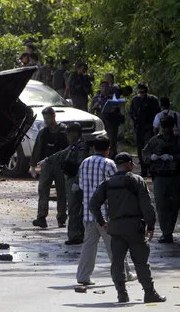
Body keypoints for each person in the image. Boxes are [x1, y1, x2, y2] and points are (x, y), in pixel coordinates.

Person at [89, 153, 166, 304]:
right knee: (141, 262)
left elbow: (93, 204)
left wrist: (102, 221)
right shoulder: (137, 180)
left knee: (117, 262)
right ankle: (149, 293)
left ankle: (122, 294)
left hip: (116, 229)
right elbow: (147, 206)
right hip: (135, 229)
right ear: (129, 164)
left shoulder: (107, 183)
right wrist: (150, 226)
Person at [76, 136, 133, 285]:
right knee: (115, 246)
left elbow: (81, 186)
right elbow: (116, 187)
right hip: (106, 215)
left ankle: (83, 277)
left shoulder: (84, 163)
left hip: (88, 212)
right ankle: (124, 274)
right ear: (108, 149)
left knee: (88, 246)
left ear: (94, 147)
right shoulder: (109, 164)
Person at [40, 123, 88, 244]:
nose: (67, 136)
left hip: (75, 180)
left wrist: (77, 182)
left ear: (75, 133)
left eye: (69, 133)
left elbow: (80, 165)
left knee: (74, 208)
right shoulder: (73, 146)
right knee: (73, 207)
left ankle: (75, 236)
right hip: (71, 179)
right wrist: (47, 160)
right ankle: (76, 234)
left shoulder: (81, 146)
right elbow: (61, 154)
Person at [142, 115, 180, 243]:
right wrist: (151, 157)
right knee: (161, 205)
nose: (165, 130)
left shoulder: (177, 141)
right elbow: (145, 154)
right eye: (163, 127)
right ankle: (166, 233)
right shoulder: (154, 141)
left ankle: (169, 230)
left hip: (175, 176)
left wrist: (172, 157)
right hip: (159, 176)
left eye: (167, 127)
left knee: (174, 205)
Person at [31, 107, 69, 228]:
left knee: (62, 192)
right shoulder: (44, 132)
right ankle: (41, 217)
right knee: (43, 190)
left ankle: (62, 218)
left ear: (54, 116)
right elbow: (37, 148)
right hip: (47, 165)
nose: (46, 120)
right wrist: (33, 165)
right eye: (45, 118)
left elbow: (70, 149)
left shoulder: (64, 131)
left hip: (60, 166)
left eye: (48, 118)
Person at [129, 83, 160, 177]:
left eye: (144, 91)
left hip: (149, 127)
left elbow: (157, 113)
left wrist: (156, 127)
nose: (142, 93)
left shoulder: (153, 100)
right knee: (140, 148)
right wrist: (132, 122)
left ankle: (150, 169)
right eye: (141, 92)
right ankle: (144, 170)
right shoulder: (135, 99)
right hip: (138, 127)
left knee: (148, 147)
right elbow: (131, 112)